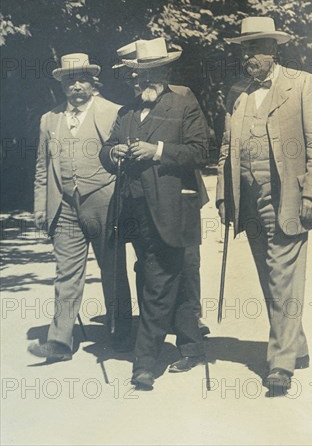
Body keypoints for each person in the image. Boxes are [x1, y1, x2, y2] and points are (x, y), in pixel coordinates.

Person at [216, 17, 312, 395]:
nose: (250, 56)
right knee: (271, 280)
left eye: (257, 48)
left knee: (283, 279)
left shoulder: (301, 84)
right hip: (248, 201)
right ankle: (295, 346)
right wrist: (222, 195)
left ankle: (279, 364)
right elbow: (225, 149)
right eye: (245, 49)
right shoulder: (237, 91)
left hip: (289, 198)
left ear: (274, 50)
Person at [101, 37, 208, 389]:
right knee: (151, 275)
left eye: (148, 74)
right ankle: (190, 343)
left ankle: (144, 362)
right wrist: (113, 153)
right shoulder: (126, 112)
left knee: (164, 277)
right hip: (132, 210)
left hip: (172, 207)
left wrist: (157, 150)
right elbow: (105, 149)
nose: (140, 82)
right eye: (135, 75)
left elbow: (199, 151)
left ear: (164, 72)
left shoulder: (183, 103)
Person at [28, 53, 132, 362]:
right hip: (64, 205)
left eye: (82, 79)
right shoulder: (50, 119)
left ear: (93, 83)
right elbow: (42, 168)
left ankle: (121, 331)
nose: (76, 85)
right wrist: (40, 208)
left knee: (112, 268)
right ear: (61, 84)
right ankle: (59, 341)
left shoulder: (112, 112)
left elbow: (122, 160)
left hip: (104, 199)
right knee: (66, 273)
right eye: (69, 80)